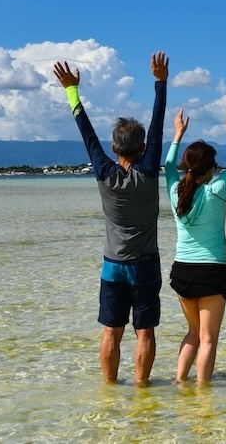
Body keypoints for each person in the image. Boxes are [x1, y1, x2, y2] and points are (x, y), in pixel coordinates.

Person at [53, 52, 168, 387]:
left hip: (112, 265)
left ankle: (109, 390)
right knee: (144, 332)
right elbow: (159, 125)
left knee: (111, 331)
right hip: (145, 265)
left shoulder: (105, 174)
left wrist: (72, 91)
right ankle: (142, 391)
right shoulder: (147, 173)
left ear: (113, 148)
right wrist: (160, 83)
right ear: (144, 147)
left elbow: (87, 135)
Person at [165, 106, 226, 384]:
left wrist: (177, 135)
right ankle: (202, 390)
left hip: (183, 271)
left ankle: (179, 381)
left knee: (192, 332)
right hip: (212, 271)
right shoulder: (216, 191)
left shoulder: (175, 191)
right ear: (210, 169)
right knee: (208, 338)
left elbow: (168, 165)